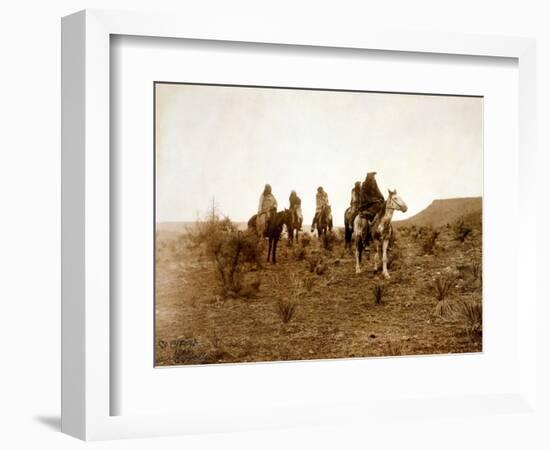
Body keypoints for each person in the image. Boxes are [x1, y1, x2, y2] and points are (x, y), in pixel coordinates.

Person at [359, 172, 385, 243]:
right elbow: (364, 198)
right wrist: (374, 200)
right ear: (369, 177)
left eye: (374, 177)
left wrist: (381, 199)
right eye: (372, 177)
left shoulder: (375, 185)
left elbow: (379, 193)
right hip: (366, 207)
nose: (373, 178)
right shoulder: (364, 186)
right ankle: (365, 242)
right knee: (365, 225)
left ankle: (388, 238)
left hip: (375, 206)